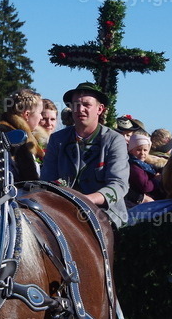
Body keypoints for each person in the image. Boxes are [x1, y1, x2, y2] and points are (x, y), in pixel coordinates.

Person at [40, 82, 129, 228]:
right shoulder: (58, 139)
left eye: (86, 105)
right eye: (75, 105)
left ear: (100, 109)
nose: (80, 109)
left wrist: (87, 200)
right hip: (62, 209)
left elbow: (119, 184)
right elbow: (46, 181)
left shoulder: (114, 140)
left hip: (105, 212)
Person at [0, 88, 44, 182]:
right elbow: (30, 179)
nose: (41, 117)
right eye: (40, 113)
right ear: (27, 114)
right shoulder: (18, 138)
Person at [125, 132, 160, 205]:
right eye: (138, 150)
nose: (142, 153)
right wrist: (156, 180)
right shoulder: (135, 166)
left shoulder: (144, 165)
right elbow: (145, 186)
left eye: (145, 150)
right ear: (131, 150)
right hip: (139, 202)